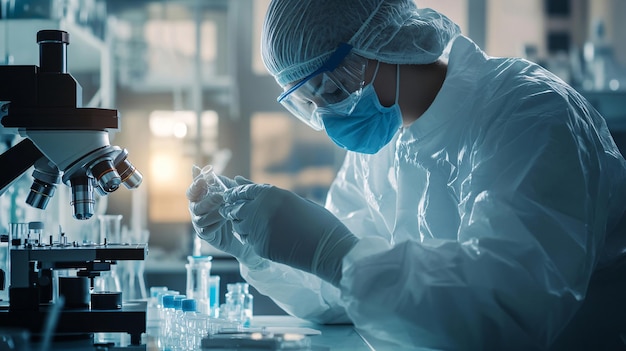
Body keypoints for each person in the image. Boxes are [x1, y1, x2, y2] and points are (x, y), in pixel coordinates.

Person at [186, 0, 626, 349]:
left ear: (383, 42)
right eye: (310, 101)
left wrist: (335, 254)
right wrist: (259, 247)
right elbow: (343, 296)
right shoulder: (385, 145)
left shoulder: (529, 115)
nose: (327, 114)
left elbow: (508, 312)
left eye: (334, 88)